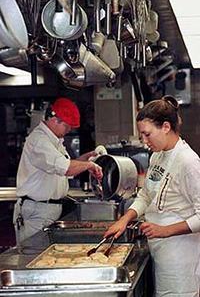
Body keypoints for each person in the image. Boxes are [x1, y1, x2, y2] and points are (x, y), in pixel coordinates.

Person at [104, 95, 200, 297]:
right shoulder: (157, 155)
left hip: (180, 257)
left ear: (166, 127)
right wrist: (124, 219)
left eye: (147, 135)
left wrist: (165, 230)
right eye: (142, 136)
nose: (144, 141)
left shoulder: (188, 162)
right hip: (160, 250)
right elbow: (147, 195)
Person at [13, 97, 103, 245]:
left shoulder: (54, 140)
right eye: (67, 127)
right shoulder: (40, 141)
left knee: (43, 257)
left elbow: (65, 167)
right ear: (55, 120)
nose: (69, 131)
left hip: (46, 210)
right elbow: (66, 168)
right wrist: (89, 166)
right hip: (37, 211)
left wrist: (86, 159)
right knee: (33, 257)